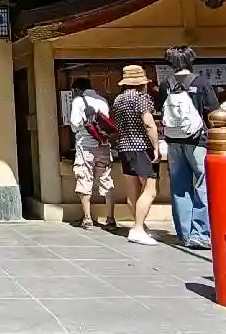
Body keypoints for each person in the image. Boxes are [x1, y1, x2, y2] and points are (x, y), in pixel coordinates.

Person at [155, 46, 219, 249]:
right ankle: (201, 233)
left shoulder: (166, 84)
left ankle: (184, 233)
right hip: (197, 140)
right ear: (191, 60)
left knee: (179, 185)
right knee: (201, 183)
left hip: (173, 140)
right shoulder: (201, 82)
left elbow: (159, 110)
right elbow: (214, 111)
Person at [110, 65, 159, 245]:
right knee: (150, 189)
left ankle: (139, 225)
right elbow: (149, 124)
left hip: (124, 146)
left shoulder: (118, 99)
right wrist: (156, 146)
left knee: (132, 190)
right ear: (141, 83)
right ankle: (138, 229)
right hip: (141, 146)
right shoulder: (141, 98)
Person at [68, 77, 117, 230]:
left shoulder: (78, 101)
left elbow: (74, 124)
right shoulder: (102, 100)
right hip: (103, 145)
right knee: (105, 179)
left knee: (84, 178)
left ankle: (88, 218)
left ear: (77, 89)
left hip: (85, 146)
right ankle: (111, 218)